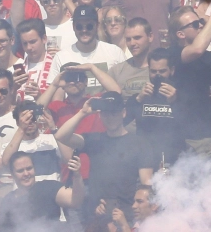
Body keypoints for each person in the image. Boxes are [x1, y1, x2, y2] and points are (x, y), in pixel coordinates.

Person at [55, 91, 154, 220]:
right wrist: (83, 113)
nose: (110, 117)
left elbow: (146, 185)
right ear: (100, 115)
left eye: (114, 113)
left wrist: (138, 215)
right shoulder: (94, 139)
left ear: (123, 113)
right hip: (96, 214)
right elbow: (61, 136)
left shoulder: (140, 144)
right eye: (106, 113)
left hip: (127, 214)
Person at [168, 5, 211, 155]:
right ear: (180, 34)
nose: (201, 26)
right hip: (188, 140)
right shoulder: (172, 55)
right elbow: (197, 50)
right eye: (196, 24)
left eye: (201, 22)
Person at [55, 6, 126, 93]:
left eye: (89, 26)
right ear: (73, 27)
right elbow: (55, 94)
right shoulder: (61, 57)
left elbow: (124, 88)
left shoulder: (115, 52)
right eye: (79, 27)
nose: (84, 30)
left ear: (97, 26)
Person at [110, 17, 153, 97]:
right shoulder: (116, 71)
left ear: (150, 37)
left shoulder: (162, 69)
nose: (132, 43)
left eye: (137, 38)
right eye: (128, 39)